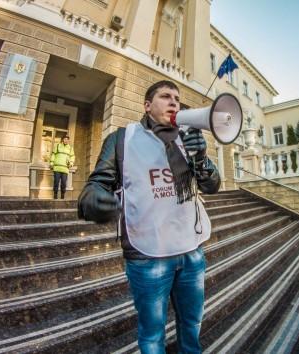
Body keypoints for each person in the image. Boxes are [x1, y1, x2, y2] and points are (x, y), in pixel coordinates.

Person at [78, 80, 221, 351]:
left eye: (177, 99)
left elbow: (212, 186)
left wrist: (200, 158)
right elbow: (97, 183)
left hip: (191, 251)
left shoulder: (187, 140)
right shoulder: (122, 139)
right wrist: (93, 198)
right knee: (153, 334)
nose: (174, 103)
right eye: (165, 97)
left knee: (192, 323)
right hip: (147, 255)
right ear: (147, 105)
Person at [50, 134, 75, 199]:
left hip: (65, 168)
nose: (66, 140)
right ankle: (55, 196)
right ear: (62, 140)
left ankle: (62, 196)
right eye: (65, 139)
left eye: (67, 139)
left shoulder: (70, 148)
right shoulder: (58, 146)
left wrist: (71, 163)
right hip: (57, 168)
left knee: (64, 183)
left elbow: (72, 156)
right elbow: (53, 154)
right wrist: (52, 163)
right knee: (56, 182)